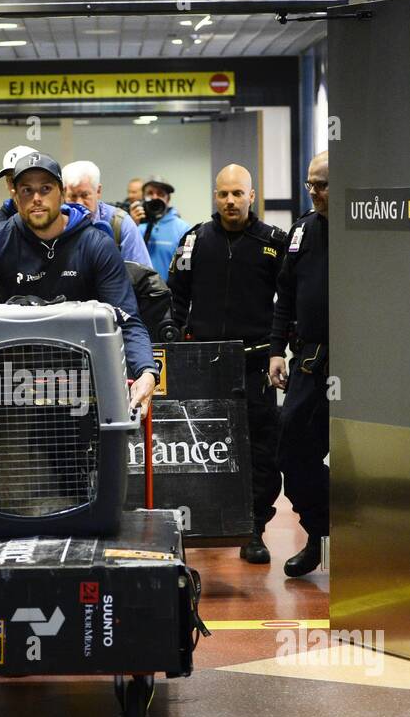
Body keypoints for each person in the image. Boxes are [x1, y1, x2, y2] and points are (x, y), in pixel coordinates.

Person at [0, 151, 160, 414]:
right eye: (26, 190)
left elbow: (127, 318)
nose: (36, 198)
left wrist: (146, 372)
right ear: (15, 196)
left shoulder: (96, 244)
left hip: (84, 381)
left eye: (45, 189)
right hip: (13, 382)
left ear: (61, 193)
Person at [167, 164, 288, 564]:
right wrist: (179, 338)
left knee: (260, 453)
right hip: (202, 367)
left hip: (254, 368)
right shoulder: (194, 240)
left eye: (238, 193)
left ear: (252, 196)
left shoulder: (274, 243)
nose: (230, 201)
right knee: (195, 449)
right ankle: (199, 526)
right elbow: (174, 297)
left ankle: (254, 528)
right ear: (214, 197)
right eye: (223, 194)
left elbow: (288, 304)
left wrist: (277, 347)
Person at [268, 151, 330, 577]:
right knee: (291, 449)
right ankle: (322, 531)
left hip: (366, 363)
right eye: (310, 184)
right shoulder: (301, 232)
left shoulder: (370, 228)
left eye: (322, 184)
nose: (314, 192)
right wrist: (276, 349)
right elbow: (284, 298)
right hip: (310, 361)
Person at [62, 159, 150, 266]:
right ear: (64, 193)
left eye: (85, 195)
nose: (79, 203)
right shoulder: (54, 224)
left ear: (98, 191)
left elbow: (141, 278)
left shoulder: (120, 224)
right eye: (73, 196)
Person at [130, 174, 191, 280]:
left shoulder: (184, 229)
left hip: (170, 294)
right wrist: (131, 226)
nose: (154, 197)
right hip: (141, 294)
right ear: (143, 198)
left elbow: (185, 269)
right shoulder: (137, 226)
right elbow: (125, 260)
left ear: (168, 199)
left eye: (160, 194)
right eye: (150, 193)